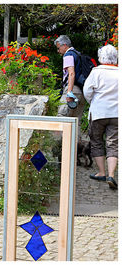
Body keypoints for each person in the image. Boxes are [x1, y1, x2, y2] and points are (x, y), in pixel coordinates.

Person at [83, 45, 118, 190]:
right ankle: (111, 175)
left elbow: (87, 91)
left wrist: (93, 102)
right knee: (113, 144)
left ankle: (101, 172)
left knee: (96, 141)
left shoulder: (96, 72)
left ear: (101, 57)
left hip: (98, 113)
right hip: (116, 113)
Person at [53, 35, 86, 125]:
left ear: (65, 45)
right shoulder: (78, 54)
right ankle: (76, 139)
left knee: (62, 118)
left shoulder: (68, 55)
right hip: (81, 92)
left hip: (72, 89)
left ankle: (62, 139)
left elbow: (71, 73)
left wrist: (69, 92)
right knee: (76, 122)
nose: (58, 51)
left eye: (58, 48)